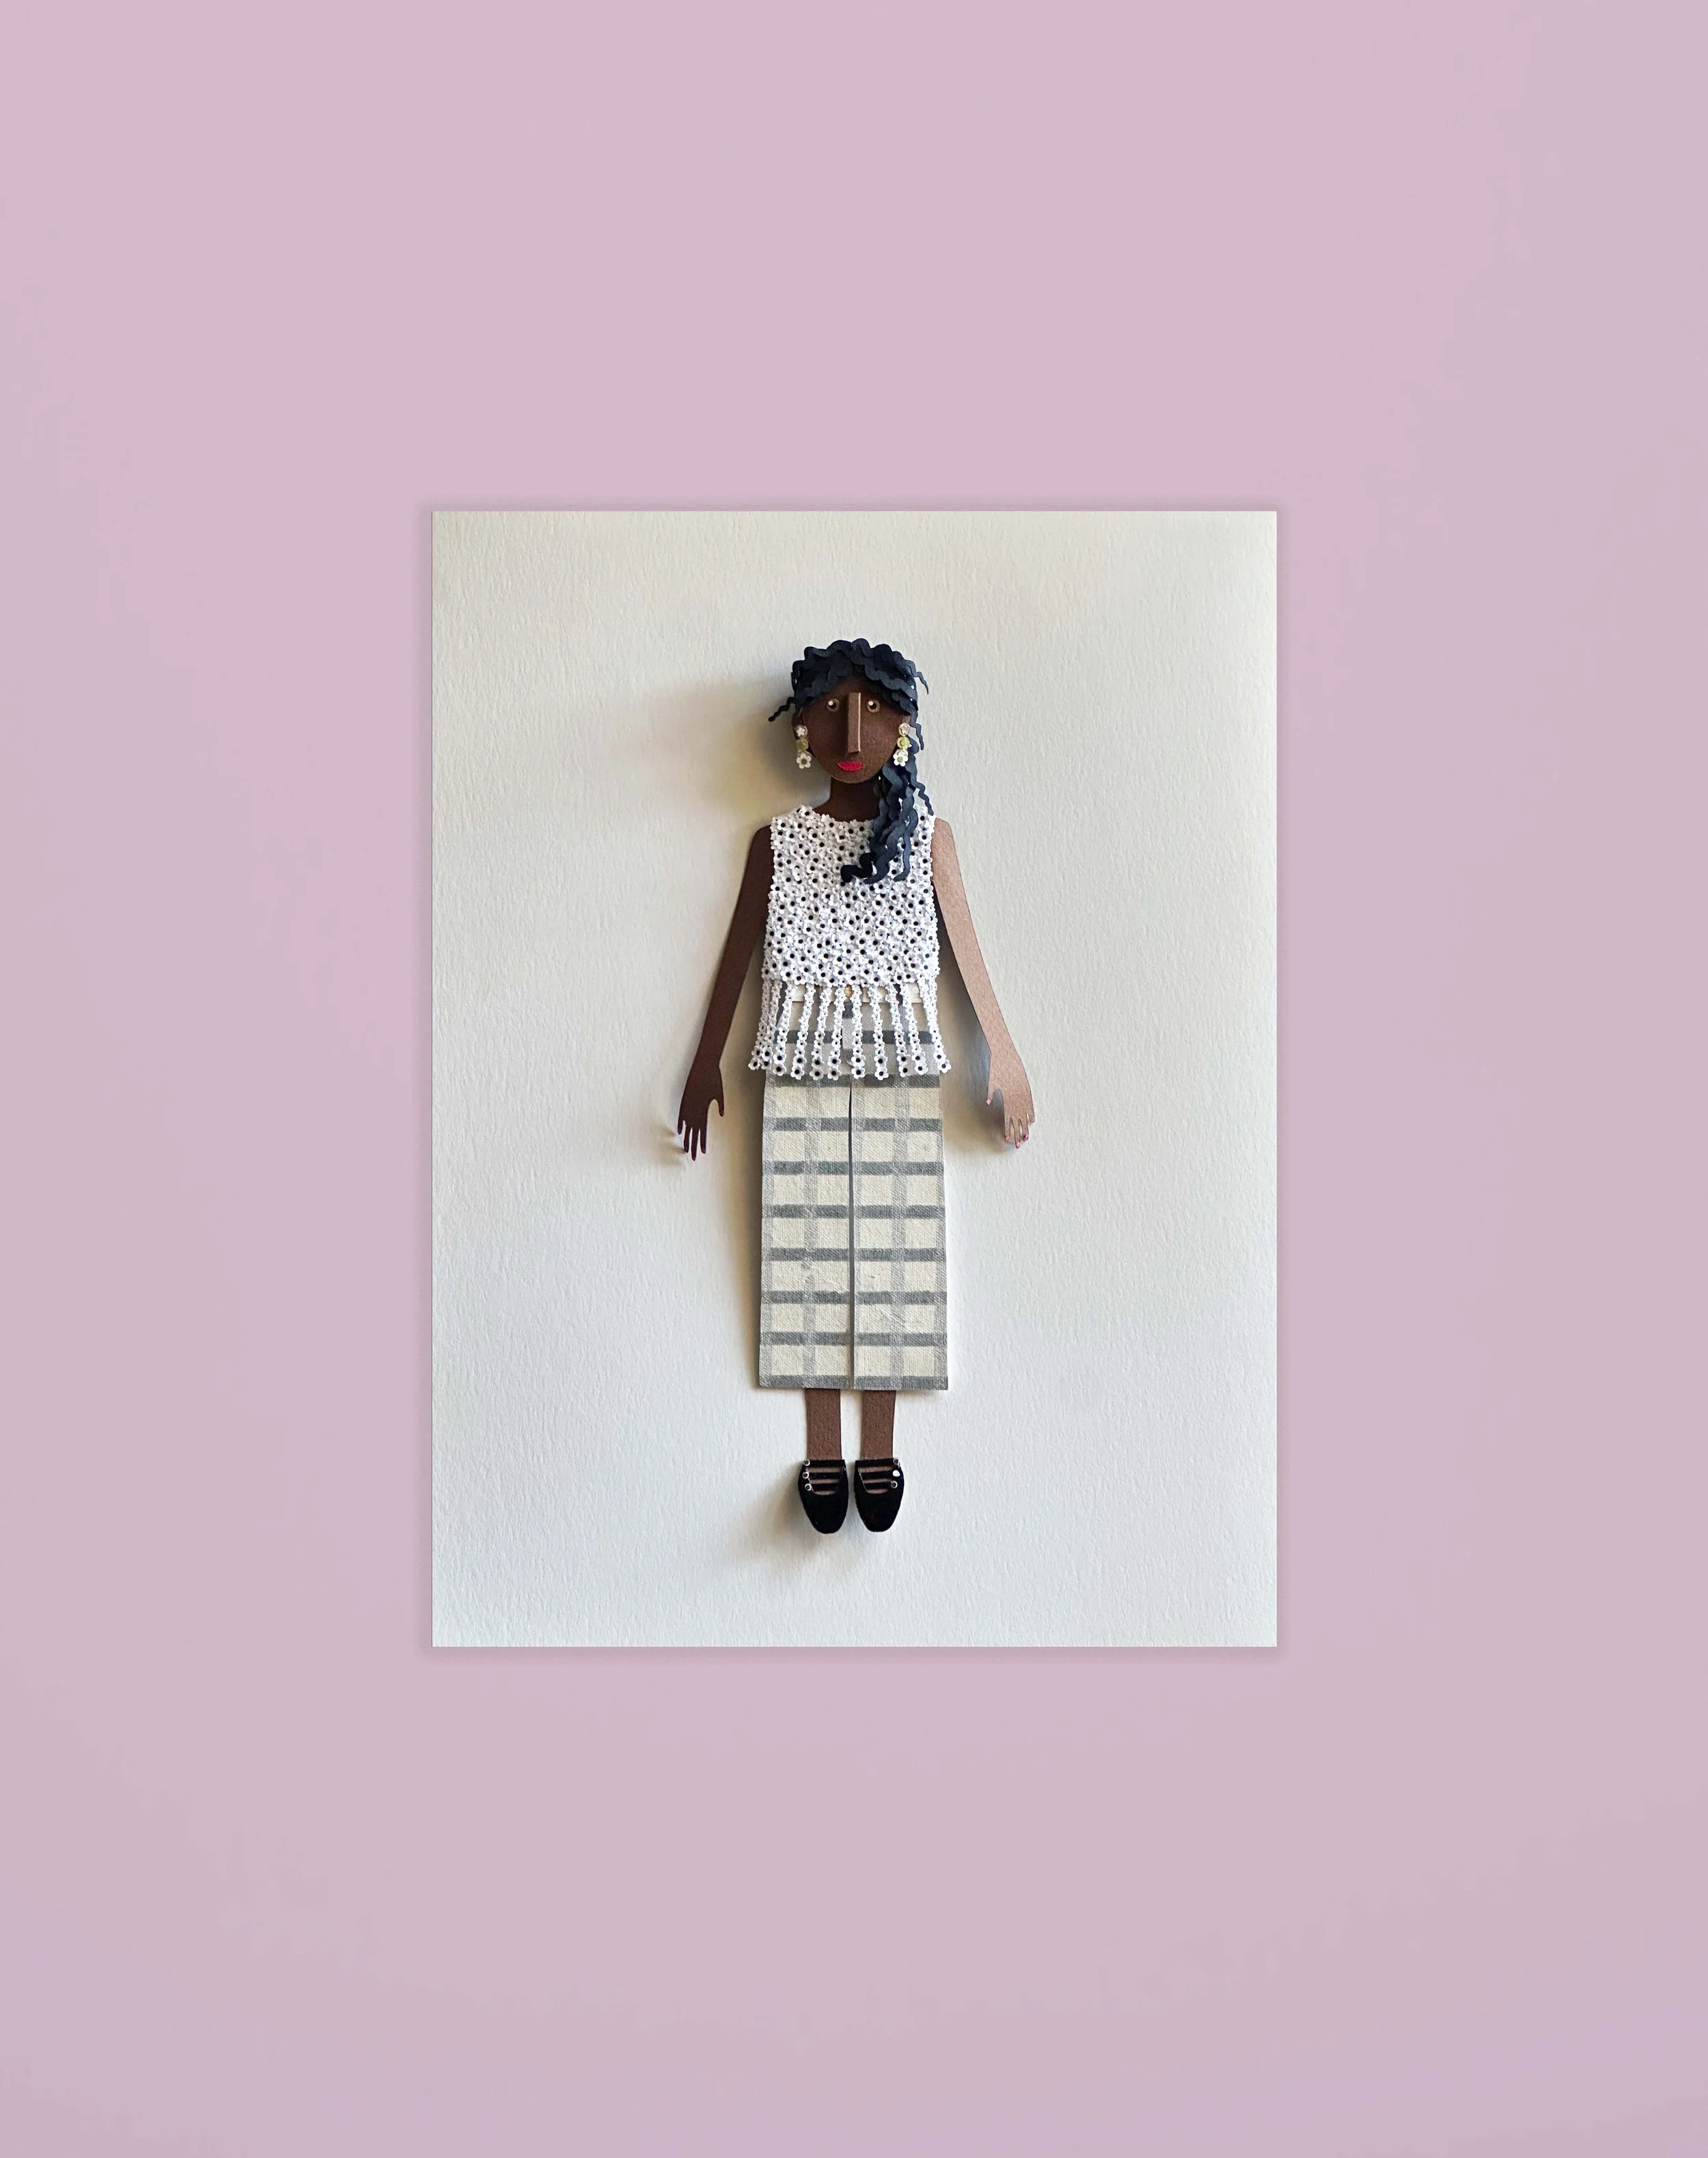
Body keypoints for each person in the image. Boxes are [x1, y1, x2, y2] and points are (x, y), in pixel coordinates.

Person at [677, 640, 1034, 1533]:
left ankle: (879, 1447)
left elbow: (968, 954)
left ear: (902, 726)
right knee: (799, 1244)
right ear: (800, 727)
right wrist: (703, 1057)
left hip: (901, 1055)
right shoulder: (779, 843)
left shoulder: (927, 838)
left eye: (870, 710)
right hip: (796, 1053)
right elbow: (738, 954)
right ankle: (822, 1448)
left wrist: (1006, 1052)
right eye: (830, 710)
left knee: (894, 1248)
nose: (849, 729)